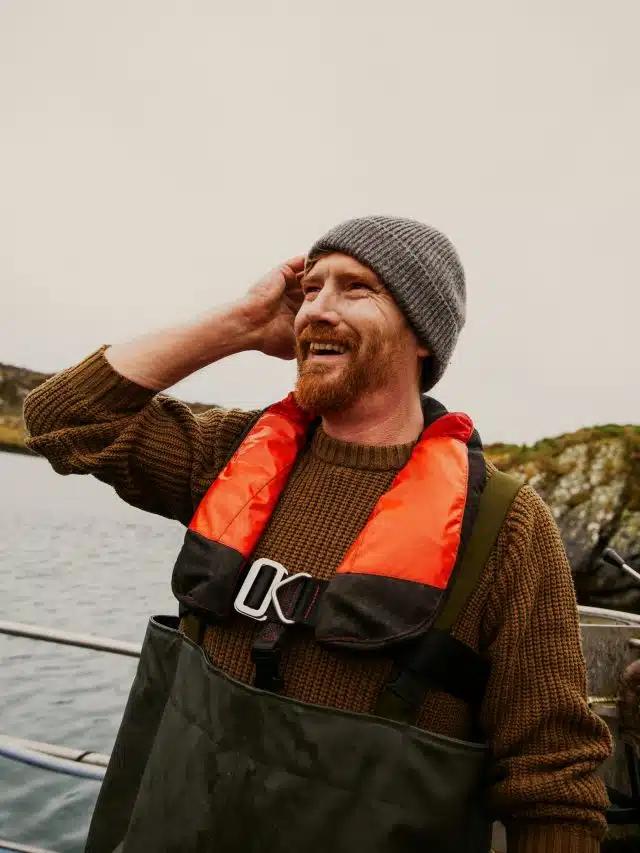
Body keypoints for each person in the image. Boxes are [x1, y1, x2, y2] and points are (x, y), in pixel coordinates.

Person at [24, 216, 612, 853]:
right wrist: (242, 324)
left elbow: (553, 786)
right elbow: (63, 418)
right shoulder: (231, 452)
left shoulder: (508, 527)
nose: (316, 311)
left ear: (422, 334)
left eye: (356, 288)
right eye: (310, 290)